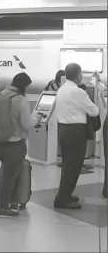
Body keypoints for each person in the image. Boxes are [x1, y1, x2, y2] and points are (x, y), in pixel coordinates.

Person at [0, 72, 42, 218]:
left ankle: (11, 202)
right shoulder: (20, 99)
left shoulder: (0, 95)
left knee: (8, 175)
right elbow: (27, 124)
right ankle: (2, 209)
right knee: (9, 177)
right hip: (14, 144)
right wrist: (37, 118)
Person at [54, 63, 99, 209]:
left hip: (63, 130)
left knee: (68, 165)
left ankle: (65, 194)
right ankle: (62, 200)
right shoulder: (78, 92)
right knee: (73, 167)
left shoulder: (62, 89)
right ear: (79, 75)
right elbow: (94, 111)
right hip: (75, 132)